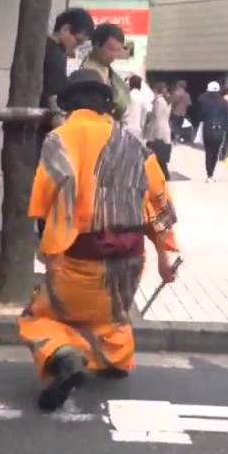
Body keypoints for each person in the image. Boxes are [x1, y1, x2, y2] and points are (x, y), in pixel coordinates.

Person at [19, 70, 179, 412]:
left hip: (80, 254)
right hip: (131, 256)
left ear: (69, 106)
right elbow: (158, 202)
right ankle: (115, 362)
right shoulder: (136, 144)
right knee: (114, 313)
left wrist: (49, 248)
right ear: (106, 105)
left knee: (40, 315)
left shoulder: (60, 138)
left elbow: (44, 200)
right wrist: (165, 256)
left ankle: (64, 356)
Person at [41, 8, 94, 106]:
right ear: (65, 29)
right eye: (77, 40)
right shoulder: (56, 54)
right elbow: (54, 95)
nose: (76, 46)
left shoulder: (43, 45)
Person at [81, 22, 130, 121]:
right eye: (111, 49)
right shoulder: (86, 71)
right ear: (97, 44)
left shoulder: (108, 70)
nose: (114, 55)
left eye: (118, 50)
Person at [197, 81, 228, 182]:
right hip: (219, 129)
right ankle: (212, 173)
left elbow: (200, 115)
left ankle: (208, 174)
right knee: (215, 151)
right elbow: (227, 115)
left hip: (207, 127)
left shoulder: (202, 100)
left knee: (208, 151)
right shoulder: (224, 102)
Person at [145, 82, 173, 180]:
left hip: (157, 131)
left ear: (156, 90)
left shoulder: (158, 101)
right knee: (162, 158)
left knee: (155, 157)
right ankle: (165, 175)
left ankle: (163, 176)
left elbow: (155, 116)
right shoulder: (168, 100)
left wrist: (148, 115)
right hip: (166, 130)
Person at [125, 74, 153, 141]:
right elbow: (145, 112)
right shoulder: (142, 97)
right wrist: (142, 125)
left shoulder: (128, 96)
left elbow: (124, 111)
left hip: (127, 126)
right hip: (137, 128)